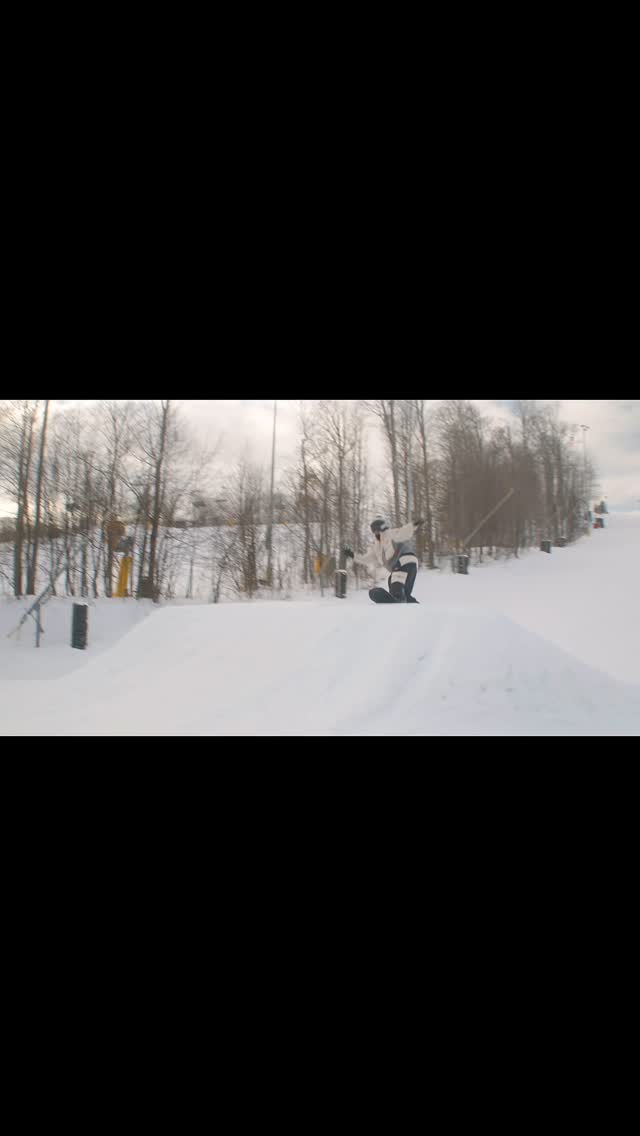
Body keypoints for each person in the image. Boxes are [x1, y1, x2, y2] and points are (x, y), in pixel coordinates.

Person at [343, 515, 424, 602]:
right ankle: (409, 601)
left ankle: (397, 596)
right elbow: (366, 559)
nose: (375, 532)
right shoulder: (376, 547)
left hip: (403, 561)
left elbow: (403, 532)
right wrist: (353, 555)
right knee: (395, 584)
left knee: (396, 582)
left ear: (382, 526)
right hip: (410, 565)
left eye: (377, 528)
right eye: (373, 530)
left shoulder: (390, 534)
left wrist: (413, 525)